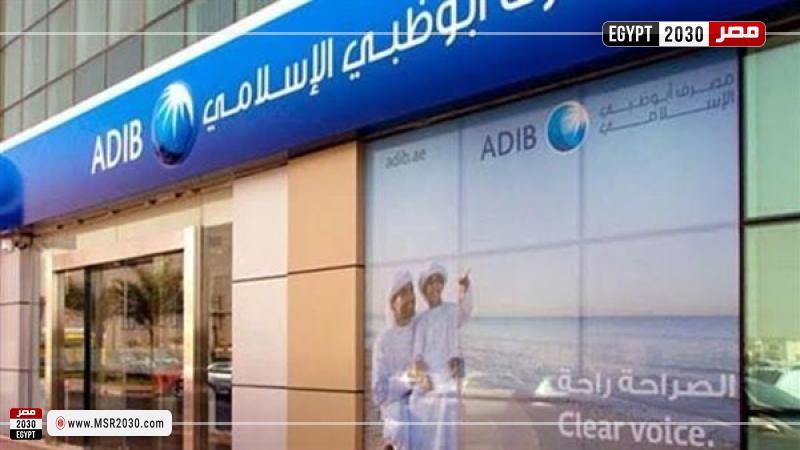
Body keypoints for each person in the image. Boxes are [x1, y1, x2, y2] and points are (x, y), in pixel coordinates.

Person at [409, 263, 473, 450]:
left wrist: (465, 288)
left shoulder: (451, 311)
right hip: (429, 376)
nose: (434, 287)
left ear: (442, 286)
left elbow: (466, 309)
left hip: (448, 375)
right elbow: (417, 355)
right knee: (420, 405)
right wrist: (422, 376)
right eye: (430, 283)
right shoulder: (421, 321)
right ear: (424, 290)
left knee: (448, 402)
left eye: (438, 282)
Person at [371, 271, 420, 450]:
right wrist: (408, 379)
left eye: (411, 291)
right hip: (397, 417)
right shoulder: (384, 340)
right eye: (404, 292)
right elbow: (379, 394)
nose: (410, 297)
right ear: (393, 302)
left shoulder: (422, 331)